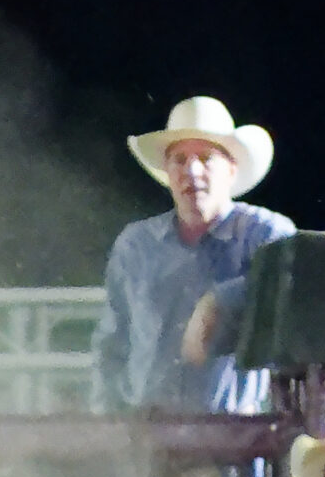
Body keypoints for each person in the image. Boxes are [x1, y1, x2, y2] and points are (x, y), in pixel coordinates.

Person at [91, 97, 295, 416]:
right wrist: (107, 421)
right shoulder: (136, 244)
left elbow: (296, 289)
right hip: (148, 433)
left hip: (235, 438)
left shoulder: (267, 235)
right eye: (180, 159)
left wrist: (221, 300)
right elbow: (113, 343)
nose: (192, 170)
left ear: (231, 169)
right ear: (168, 172)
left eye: (205, 157)